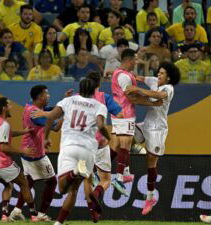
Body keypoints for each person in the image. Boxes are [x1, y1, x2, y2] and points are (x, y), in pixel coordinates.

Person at [32, 78, 111, 225]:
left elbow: (50, 117)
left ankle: (74, 172)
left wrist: (46, 138)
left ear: (79, 89)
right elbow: (100, 125)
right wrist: (109, 137)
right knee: (73, 190)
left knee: (62, 189)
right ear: (94, 91)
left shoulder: (68, 101)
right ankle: (59, 223)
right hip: (88, 151)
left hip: (69, 147)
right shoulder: (99, 106)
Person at [127, 62, 180, 215]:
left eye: (162, 73)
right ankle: (125, 171)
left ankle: (150, 197)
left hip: (158, 129)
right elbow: (137, 77)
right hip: (146, 124)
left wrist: (137, 89)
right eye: (158, 73)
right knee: (126, 137)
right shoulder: (153, 81)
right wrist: (117, 74)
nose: (158, 75)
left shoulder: (168, 88)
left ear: (169, 77)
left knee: (151, 162)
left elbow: (159, 95)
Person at [110, 48, 162, 196]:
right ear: (128, 60)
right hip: (125, 115)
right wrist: (153, 102)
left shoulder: (122, 74)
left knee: (115, 147)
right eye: (135, 59)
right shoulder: (124, 77)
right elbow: (132, 97)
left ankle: (117, 172)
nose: (136, 61)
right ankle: (118, 178)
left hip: (119, 115)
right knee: (125, 146)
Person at [0, 97, 38, 222]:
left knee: (8, 185)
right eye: (9, 105)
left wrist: (23, 132)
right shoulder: (4, 124)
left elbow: (5, 134)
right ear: (4, 108)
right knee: (24, 183)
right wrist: (23, 151)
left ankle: (4, 215)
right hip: (0, 163)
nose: (11, 107)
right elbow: (4, 146)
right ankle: (34, 215)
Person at [10, 85, 61, 222]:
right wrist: (66, 115)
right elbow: (55, 127)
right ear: (40, 97)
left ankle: (17, 210)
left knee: (29, 182)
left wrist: (65, 103)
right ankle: (42, 214)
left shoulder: (30, 107)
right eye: (47, 94)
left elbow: (50, 110)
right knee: (51, 182)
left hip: (28, 150)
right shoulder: (35, 114)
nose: (49, 96)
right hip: (35, 153)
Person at [81, 72, 123, 223]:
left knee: (87, 179)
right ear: (99, 82)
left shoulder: (78, 99)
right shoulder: (104, 98)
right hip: (100, 144)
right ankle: (97, 193)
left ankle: (93, 211)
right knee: (105, 179)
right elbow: (120, 113)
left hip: (82, 145)